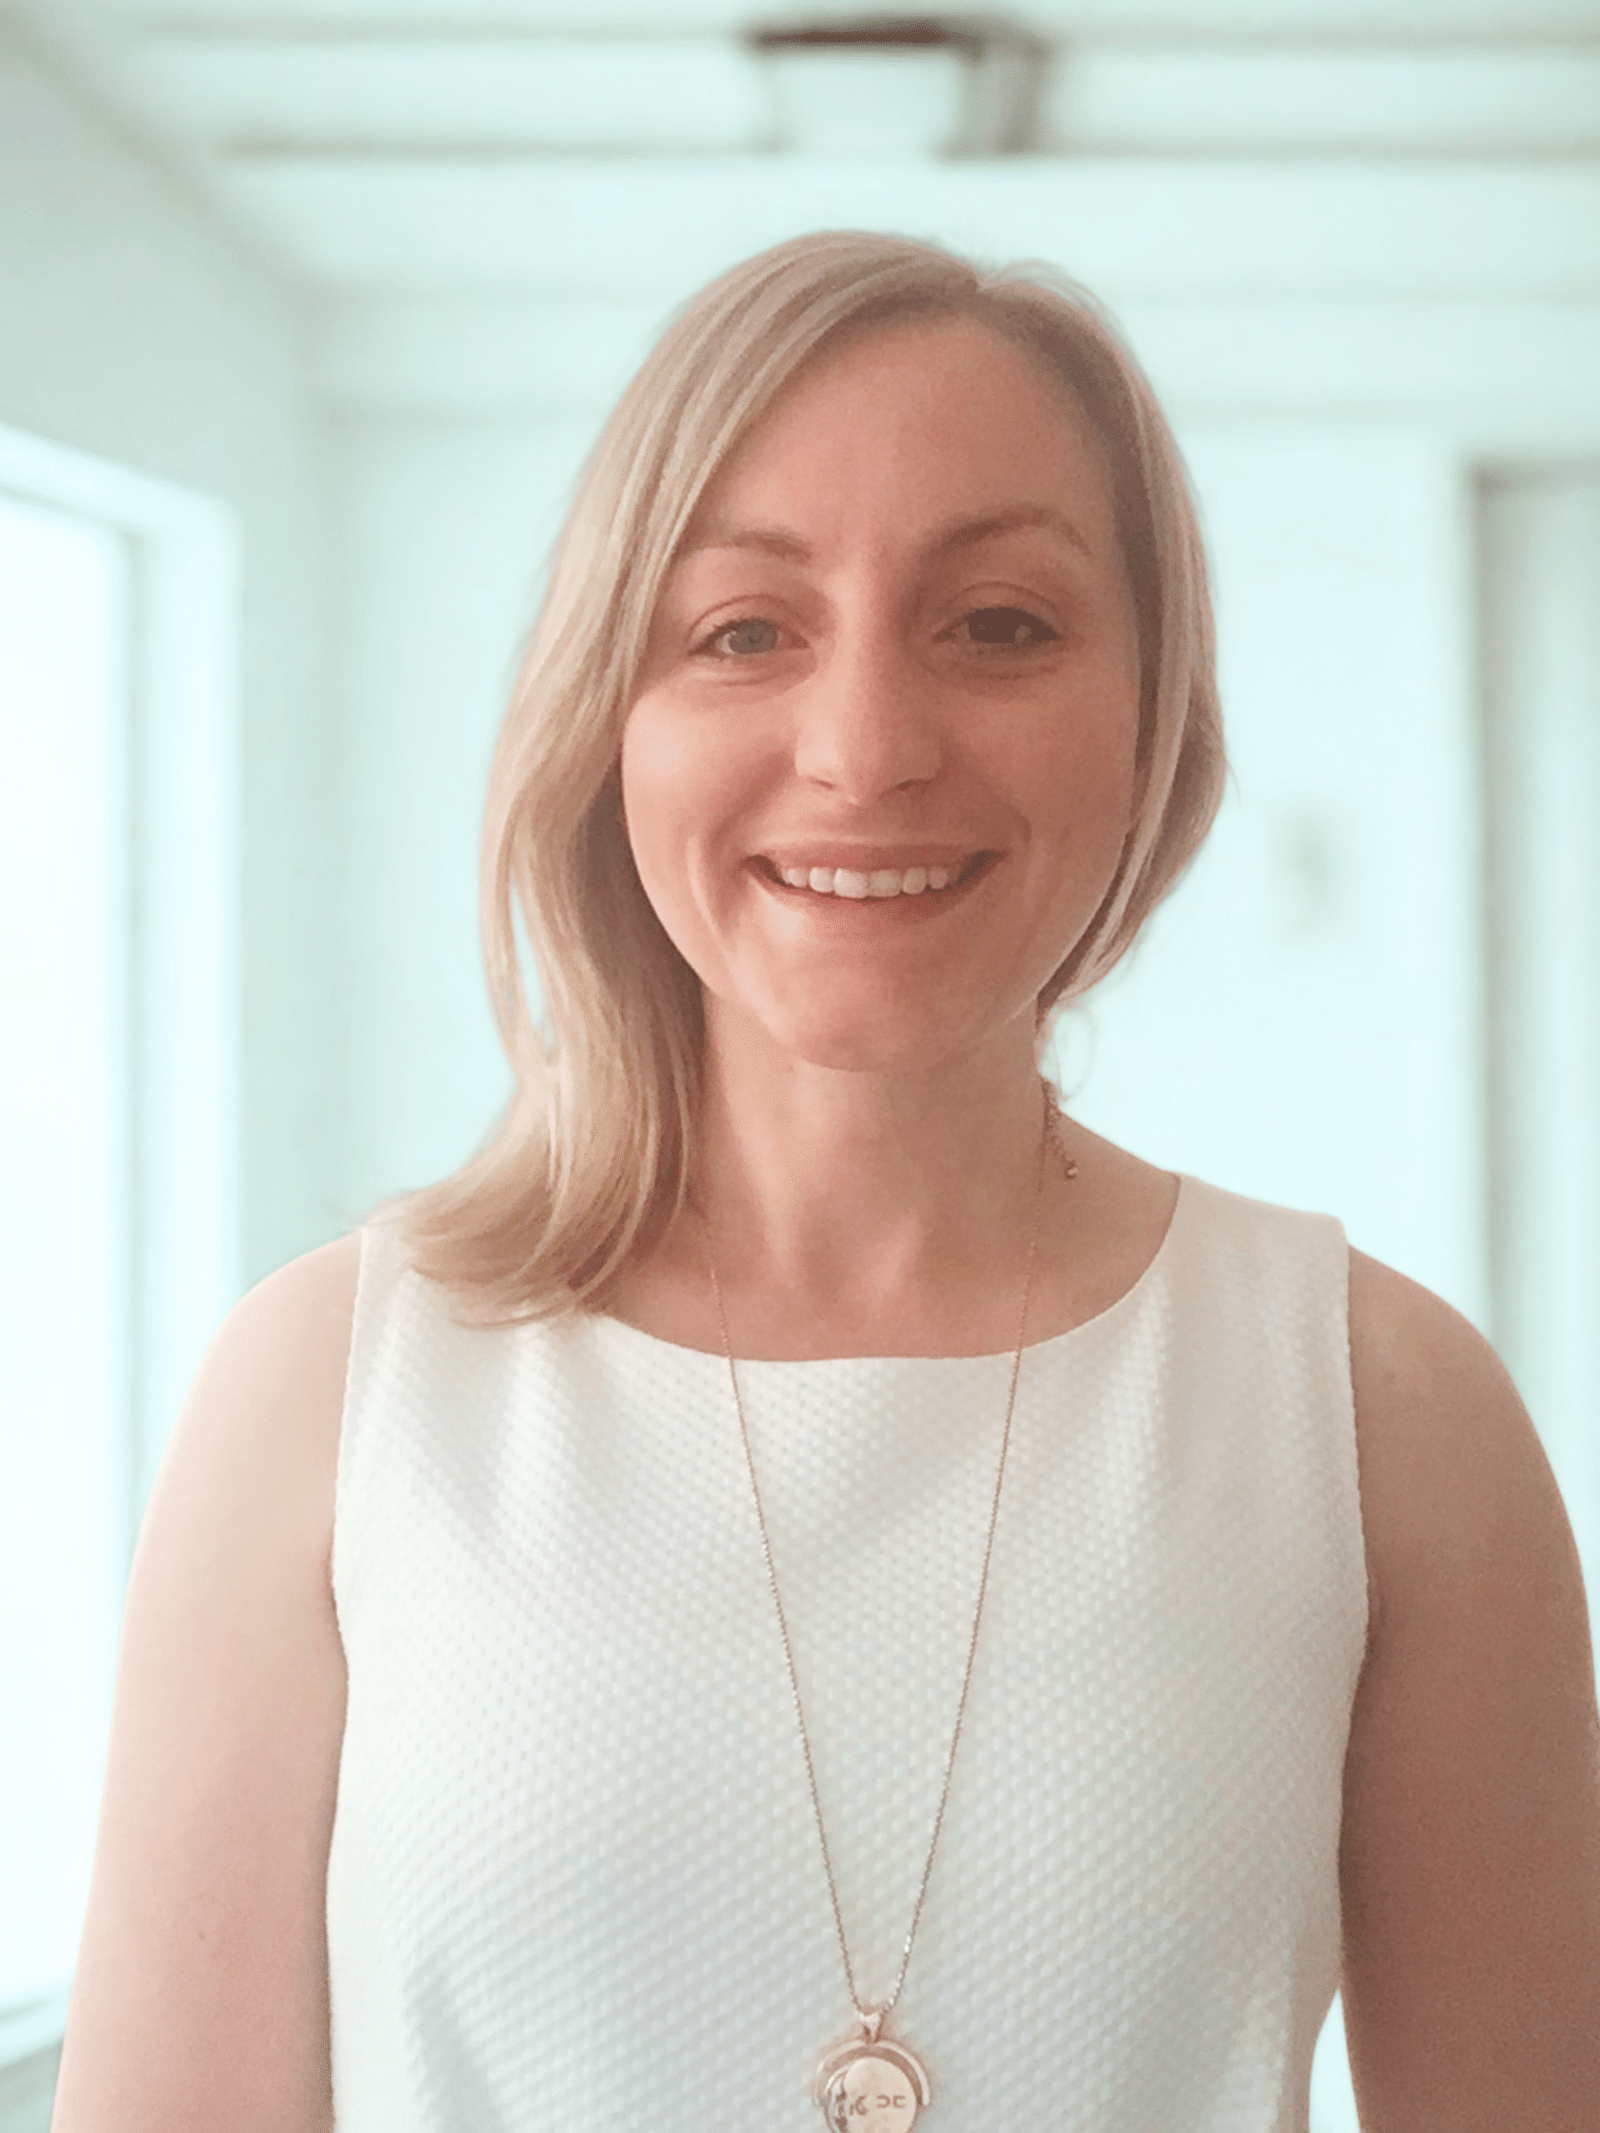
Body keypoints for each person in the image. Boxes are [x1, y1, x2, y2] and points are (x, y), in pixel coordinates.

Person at [50, 232, 1600, 2133]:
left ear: (1152, 718)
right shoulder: (334, 1392)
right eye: (743, 631)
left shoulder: (1382, 1414)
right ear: (608, 716)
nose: (866, 749)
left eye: (1002, 625)